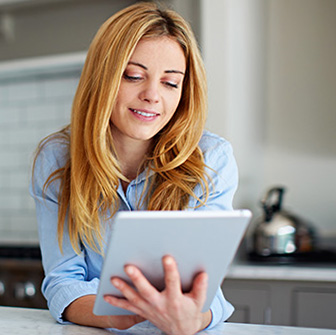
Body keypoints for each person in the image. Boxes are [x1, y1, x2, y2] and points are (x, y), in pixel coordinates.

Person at [30, 2, 238, 334]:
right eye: (133, 76)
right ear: (103, 78)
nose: (152, 95)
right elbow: (62, 282)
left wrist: (189, 320)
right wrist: (116, 315)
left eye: (171, 83)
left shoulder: (211, 158)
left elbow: (206, 291)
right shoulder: (57, 159)